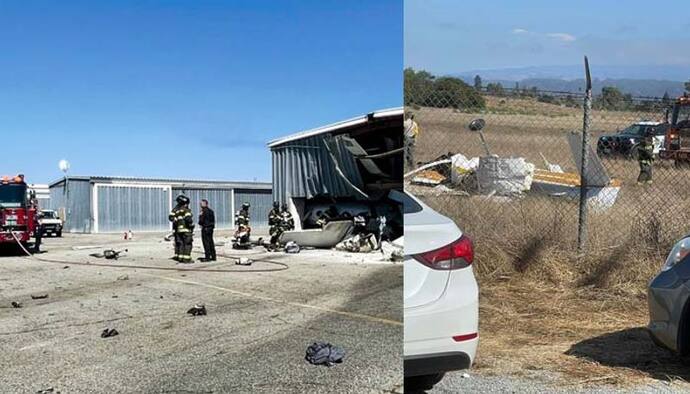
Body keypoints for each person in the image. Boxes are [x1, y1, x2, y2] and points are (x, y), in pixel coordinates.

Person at [168, 195, 194, 263]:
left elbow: (171, 217)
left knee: (180, 244)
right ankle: (186, 259)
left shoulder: (176, 210)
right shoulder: (186, 210)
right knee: (187, 244)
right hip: (186, 230)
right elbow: (188, 219)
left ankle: (179, 257)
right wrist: (191, 225)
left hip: (178, 230)